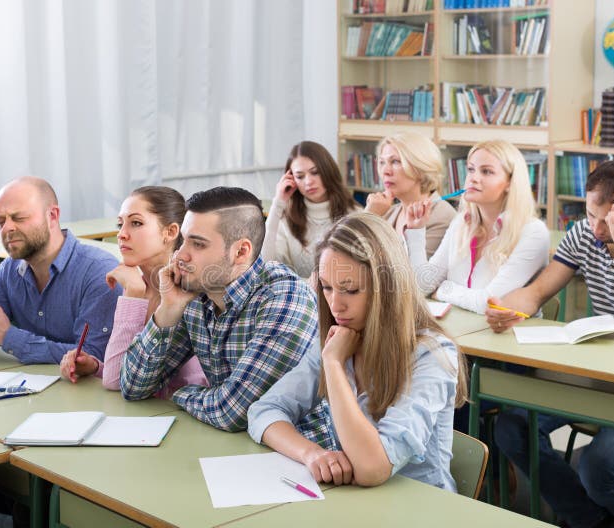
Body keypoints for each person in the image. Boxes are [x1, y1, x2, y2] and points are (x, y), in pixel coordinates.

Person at [490, 160, 614, 527]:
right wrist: (501, 308)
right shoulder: (584, 233)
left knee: (599, 466)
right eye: (589, 214)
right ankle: (593, 520)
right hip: (602, 373)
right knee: (511, 427)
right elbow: (537, 293)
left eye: (607, 221)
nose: (595, 229)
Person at [248, 212, 468, 489]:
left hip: (420, 509)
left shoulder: (431, 355)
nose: (335, 305)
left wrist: (333, 364)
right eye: (326, 288)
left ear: (387, 288)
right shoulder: (341, 338)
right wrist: (312, 453)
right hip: (356, 504)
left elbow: (372, 469)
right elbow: (263, 411)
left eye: (350, 290)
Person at [119, 187, 327, 436]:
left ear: (241, 252)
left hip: (302, 459)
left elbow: (233, 413)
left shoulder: (284, 297)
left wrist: (178, 394)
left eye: (198, 244)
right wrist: (168, 308)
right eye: (183, 240)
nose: (180, 255)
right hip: (229, 451)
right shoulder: (197, 294)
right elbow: (133, 386)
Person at [0, 176, 120, 364]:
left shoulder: (99, 273)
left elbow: (94, 355)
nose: (7, 228)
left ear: (52, 216)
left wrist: (9, 336)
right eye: (0, 221)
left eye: (19, 218)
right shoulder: (9, 270)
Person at [59, 186, 207, 394]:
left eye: (136, 223)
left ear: (171, 232)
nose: (121, 235)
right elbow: (125, 375)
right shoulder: (137, 285)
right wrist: (95, 367)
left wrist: (133, 295)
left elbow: (115, 381)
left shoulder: (187, 294)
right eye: (120, 224)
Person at [406, 140, 549, 313]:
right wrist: (416, 231)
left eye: (486, 172)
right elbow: (422, 286)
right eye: (471, 169)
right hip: (461, 331)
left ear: (510, 183)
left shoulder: (533, 232)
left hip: (506, 336)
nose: (474, 178)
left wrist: (444, 290)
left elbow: (489, 303)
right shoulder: (461, 223)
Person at [262, 141, 359, 278]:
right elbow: (265, 264)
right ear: (292, 179)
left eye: (315, 172)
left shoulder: (354, 214)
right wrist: (278, 203)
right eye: (300, 176)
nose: (308, 182)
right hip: (298, 297)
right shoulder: (286, 219)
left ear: (328, 171)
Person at [364, 132, 456, 259]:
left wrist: (369, 218)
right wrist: (369, 216)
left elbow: (406, 273)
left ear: (420, 167)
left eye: (395, 161)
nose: (385, 171)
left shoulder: (442, 216)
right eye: (382, 162)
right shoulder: (387, 212)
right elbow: (350, 256)